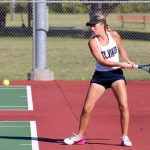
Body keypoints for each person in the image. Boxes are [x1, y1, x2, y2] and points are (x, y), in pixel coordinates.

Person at [64, 14, 135, 147]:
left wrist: (127, 61)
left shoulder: (114, 35)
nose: (92, 28)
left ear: (102, 24)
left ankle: (125, 137)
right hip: (100, 77)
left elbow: (121, 50)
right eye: (90, 26)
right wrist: (121, 64)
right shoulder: (92, 42)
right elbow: (102, 61)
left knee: (123, 106)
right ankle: (79, 136)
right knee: (87, 109)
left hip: (116, 76)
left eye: (94, 25)